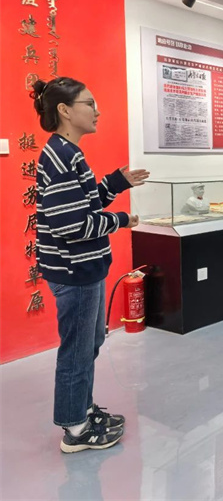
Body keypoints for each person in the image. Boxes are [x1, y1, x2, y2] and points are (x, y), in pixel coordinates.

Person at [32, 77, 150, 453]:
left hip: (85, 268)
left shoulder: (69, 153)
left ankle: (81, 410)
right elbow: (72, 226)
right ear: (65, 111)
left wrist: (116, 182)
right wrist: (122, 221)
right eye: (90, 104)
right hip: (75, 270)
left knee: (89, 344)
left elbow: (84, 206)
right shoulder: (61, 157)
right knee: (78, 351)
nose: (97, 112)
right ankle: (75, 428)